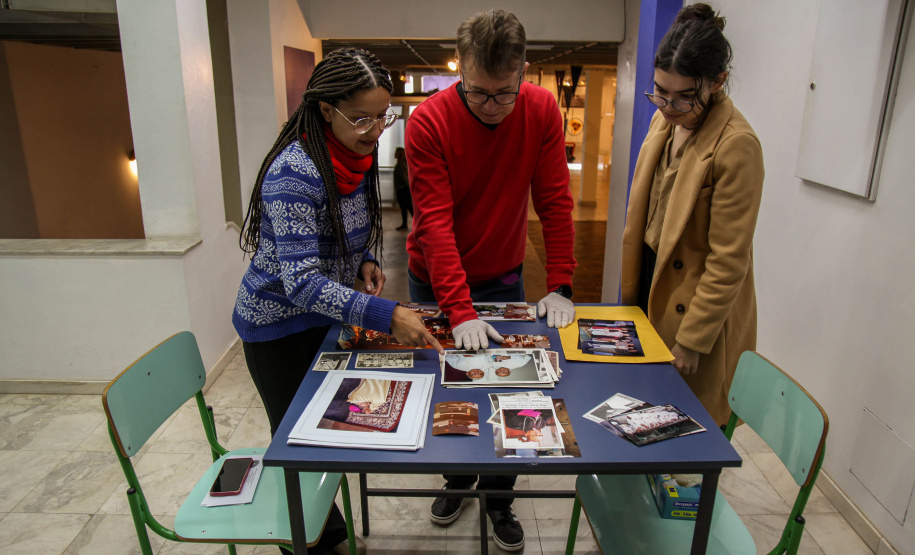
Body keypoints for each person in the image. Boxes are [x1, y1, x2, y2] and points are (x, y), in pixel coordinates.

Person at [233, 47, 444, 555]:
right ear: (326, 110)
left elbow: (351, 225)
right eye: (362, 118)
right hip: (278, 328)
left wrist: (364, 260)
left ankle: (326, 532)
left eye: (383, 115)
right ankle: (310, 541)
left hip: (323, 320)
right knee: (299, 448)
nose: (375, 130)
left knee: (328, 434)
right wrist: (387, 314)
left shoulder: (355, 155)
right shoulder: (292, 171)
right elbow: (301, 282)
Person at [404, 9, 577, 551]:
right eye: (478, 93)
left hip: (503, 277)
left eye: (505, 93)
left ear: (524, 71)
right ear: (462, 72)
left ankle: (499, 496)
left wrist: (561, 282)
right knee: (449, 386)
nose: (492, 107)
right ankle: (458, 479)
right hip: (433, 280)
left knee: (512, 390)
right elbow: (434, 223)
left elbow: (554, 199)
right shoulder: (428, 121)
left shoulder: (542, 109)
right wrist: (458, 309)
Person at [620, 3, 764, 427]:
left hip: (693, 306)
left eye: (685, 96)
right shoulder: (663, 121)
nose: (668, 105)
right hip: (652, 281)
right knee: (639, 414)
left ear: (718, 81)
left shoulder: (737, 144)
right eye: (661, 90)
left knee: (685, 428)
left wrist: (694, 339)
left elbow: (729, 260)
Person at [393, 146, 413, 230]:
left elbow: (404, 178)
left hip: (403, 190)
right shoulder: (402, 163)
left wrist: (409, 187)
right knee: (405, 207)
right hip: (403, 189)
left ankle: (413, 224)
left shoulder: (401, 164)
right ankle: (405, 224)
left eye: (396, 152)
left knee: (407, 207)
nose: (394, 154)